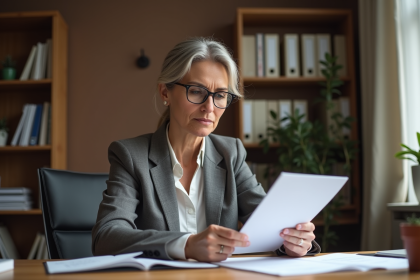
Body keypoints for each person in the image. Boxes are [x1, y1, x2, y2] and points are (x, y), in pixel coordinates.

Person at [92, 38, 320, 261]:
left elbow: (270, 224)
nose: (209, 107)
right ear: (165, 93)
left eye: (220, 95)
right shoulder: (131, 156)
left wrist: (292, 241)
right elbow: (106, 236)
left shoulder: (231, 153)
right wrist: (186, 245)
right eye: (196, 91)